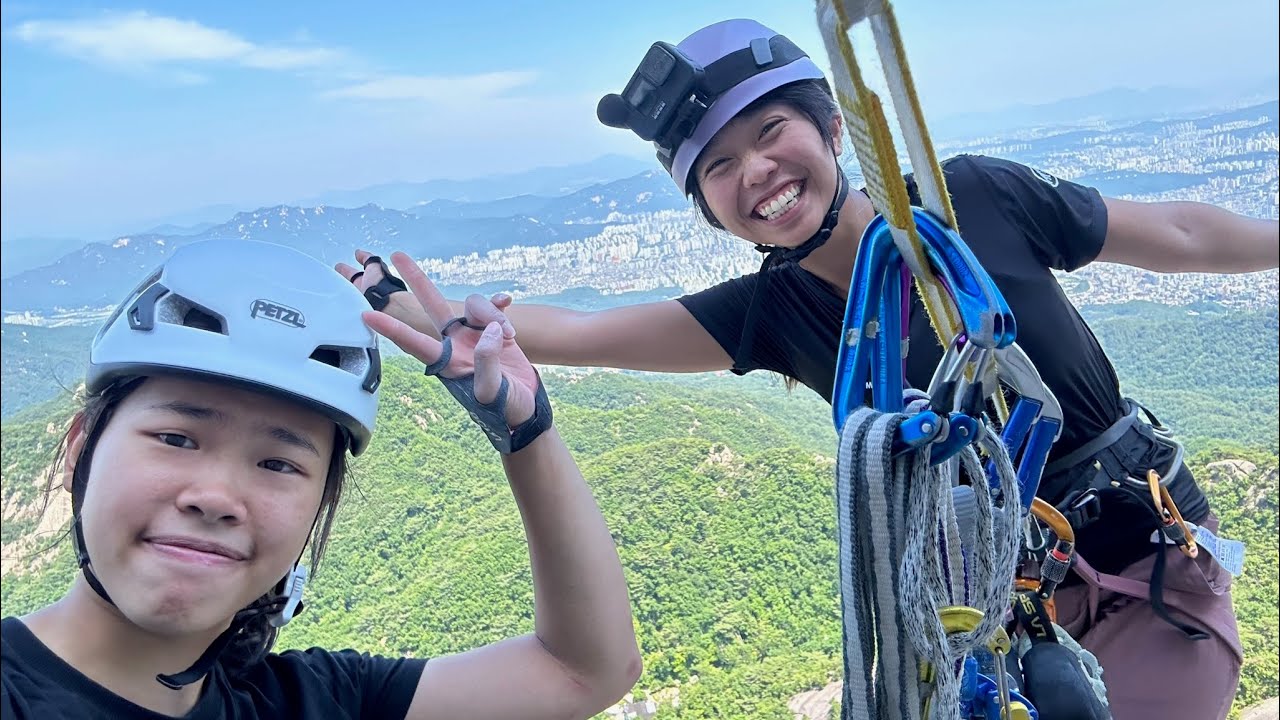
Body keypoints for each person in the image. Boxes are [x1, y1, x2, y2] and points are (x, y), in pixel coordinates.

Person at [338, 18, 1280, 720]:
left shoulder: (975, 203)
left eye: (771, 132)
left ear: (832, 128)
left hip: (1146, 567)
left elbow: (1183, 232)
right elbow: (581, 330)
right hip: (986, 616)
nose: (755, 171)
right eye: (719, 166)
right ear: (710, 205)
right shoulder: (774, 314)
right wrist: (404, 307)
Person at [0, 238, 642, 719]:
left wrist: (524, 433)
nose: (217, 498)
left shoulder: (314, 703)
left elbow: (584, 670)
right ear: (77, 453)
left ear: (318, 506)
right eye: (176, 438)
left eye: (279, 464)